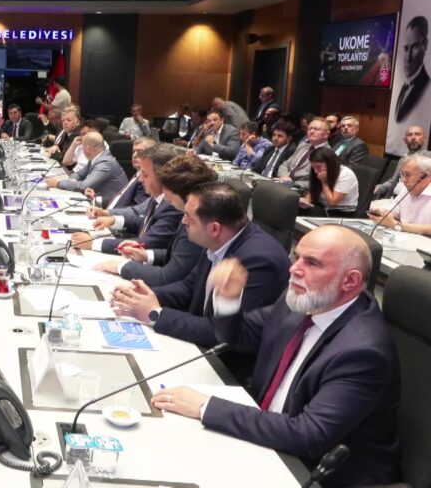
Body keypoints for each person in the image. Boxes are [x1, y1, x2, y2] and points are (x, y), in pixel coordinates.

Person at [153, 225, 401, 487]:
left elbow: (308, 434)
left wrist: (206, 407)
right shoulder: (302, 301)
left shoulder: (363, 352)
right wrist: (228, 298)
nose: (294, 269)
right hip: (269, 441)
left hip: (318, 473)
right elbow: (240, 336)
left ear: (350, 280)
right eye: (297, 257)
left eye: (312, 263)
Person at [109, 181, 289, 351]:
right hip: (198, 341)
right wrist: (144, 296)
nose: (183, 221)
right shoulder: (219, 240)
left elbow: (227, 334)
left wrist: (155, 313)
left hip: (225, 363)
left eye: (189, 217)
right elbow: (189, 287)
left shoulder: (259, 261)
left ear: (214, 229)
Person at [95, 153, 216, 286]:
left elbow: (169, 276)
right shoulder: (186, 213)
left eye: (166, 187)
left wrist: (121, 267)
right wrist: (147, 255)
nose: (164, 193)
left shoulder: (196, 223)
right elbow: (178, 257)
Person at [75, 144, 183, 254]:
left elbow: (147, 243)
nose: (140, 180)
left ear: (163, 176)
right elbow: (145, 222)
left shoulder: (173, 206)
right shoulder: (158, 198)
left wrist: (94, 243)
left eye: (145, 175)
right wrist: (114, 220)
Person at [387, 16, 430, 156]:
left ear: (425, 45)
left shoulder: (426, 87)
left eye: (415, 47)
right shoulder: (402, 87)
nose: (408, 57)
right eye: (406, 48)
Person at [45, 133, 126, 203]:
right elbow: (79, 174)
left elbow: (85, 186)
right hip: (95, 199)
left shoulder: (105, 163)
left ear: (88, 149)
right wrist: (73, 180)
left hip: (108, 206)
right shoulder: (97, 158)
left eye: (82, 147)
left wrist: (58, 183)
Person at [86, 136, 154, 210]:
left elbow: (138, 211)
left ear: (152, 155)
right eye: (133, 152)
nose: (134, 155)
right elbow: (119, 201)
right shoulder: (137, 174)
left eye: (140, 152)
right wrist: (95, 198)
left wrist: (107, 213)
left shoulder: (145, 180)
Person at [368, 153, 431, 233]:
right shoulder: (406, 190)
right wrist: (382, 213)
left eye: (408, 175)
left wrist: (395, 225)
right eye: (402, 174)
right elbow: (393, 212)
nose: (403, 180)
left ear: (427, 177)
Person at [298, 147, 359, 216]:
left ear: (330, 163)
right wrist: (306, 201)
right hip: (322, 207)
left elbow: (332, 202)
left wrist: (324, 182)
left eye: (318, 166)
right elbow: (314, 192)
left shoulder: (346, 175)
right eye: (313, 167)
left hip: (340, 212)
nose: (315, 171)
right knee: (297, 208)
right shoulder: (320, 172)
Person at [278, 117, 331, 192]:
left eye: (316, 129)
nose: (311, 131)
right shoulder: (302, 146)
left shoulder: (328, 154)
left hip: (301, 190)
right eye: (310, 129)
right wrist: (284, 176)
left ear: (326, 134)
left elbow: (317, 183)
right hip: (284, 182)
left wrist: (291, 184)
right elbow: (285, 164)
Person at [374, 125, 426, 198]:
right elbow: (393, 181)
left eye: (417, 134)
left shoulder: (428, 158)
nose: (413, 137)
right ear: (405, 140)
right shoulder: (402, 159)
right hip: (393, 198)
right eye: (410, 135)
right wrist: (379, 188)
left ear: (424, 139)